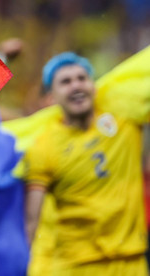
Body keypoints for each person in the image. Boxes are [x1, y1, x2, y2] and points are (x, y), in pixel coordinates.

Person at [23, 52, 149, 275]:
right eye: (66, 82)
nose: (76, 86)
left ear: (94, 86)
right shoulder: (45, 146)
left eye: (82, 78)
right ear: (51, 96)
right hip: (77, 266)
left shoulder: (125, 120)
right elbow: (32, 220)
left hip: (131, 262)